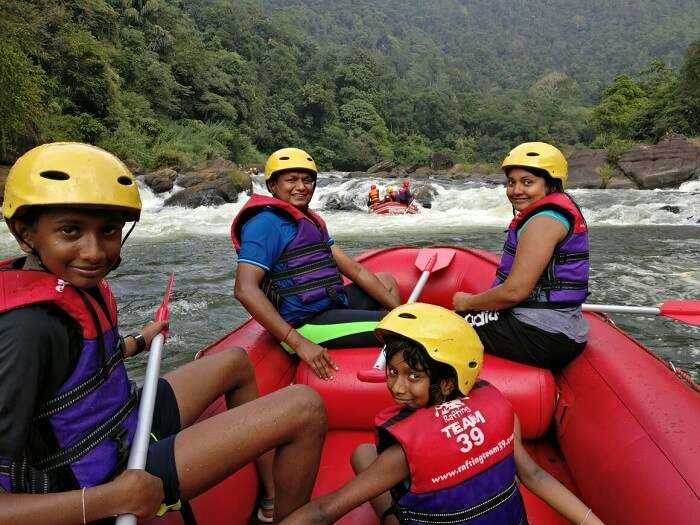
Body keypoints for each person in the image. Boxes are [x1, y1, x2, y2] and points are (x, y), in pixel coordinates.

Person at [0, 142, 327, 524]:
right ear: (25, 234)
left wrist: (139, 341)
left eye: (107, 231)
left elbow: (78, 366)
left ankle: (271, 500)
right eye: (70, 231)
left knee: (236, 362)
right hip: (98, 476)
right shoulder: (24, 332)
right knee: (305, 407)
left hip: (123, 419)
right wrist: (105, 500)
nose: (93, 252)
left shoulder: (67, 282)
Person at [279, 303, 605, 525]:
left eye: (413, 376)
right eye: (392, 372)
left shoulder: (404, 453)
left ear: (447, 383)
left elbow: (324, 510)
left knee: (364, 455)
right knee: (366, 453)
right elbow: (534, 476)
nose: (398, 387)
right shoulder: (501, 412)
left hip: (411, 474)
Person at [232, 148, 401, 381]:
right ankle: (389, 341)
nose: (301, 187)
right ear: (272, 185)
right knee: (402, 329)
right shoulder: (264, 225)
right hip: (305, 325)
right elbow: (244, 289)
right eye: (291, 180)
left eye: (307, 180)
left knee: (386, 282)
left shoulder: (308, 219)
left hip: (329, 304)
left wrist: (401, 310)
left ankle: (378, 337)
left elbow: (357, 271)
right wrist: (298, 342)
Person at [453, 142, 589, 370]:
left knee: (440, 328)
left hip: (541, 333)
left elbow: (515, 291)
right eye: (512, 182)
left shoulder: (544, 221)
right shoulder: (552, 213)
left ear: (551, 184)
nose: (516, 190)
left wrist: (468, 302)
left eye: (528, 182)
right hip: (554, 328)